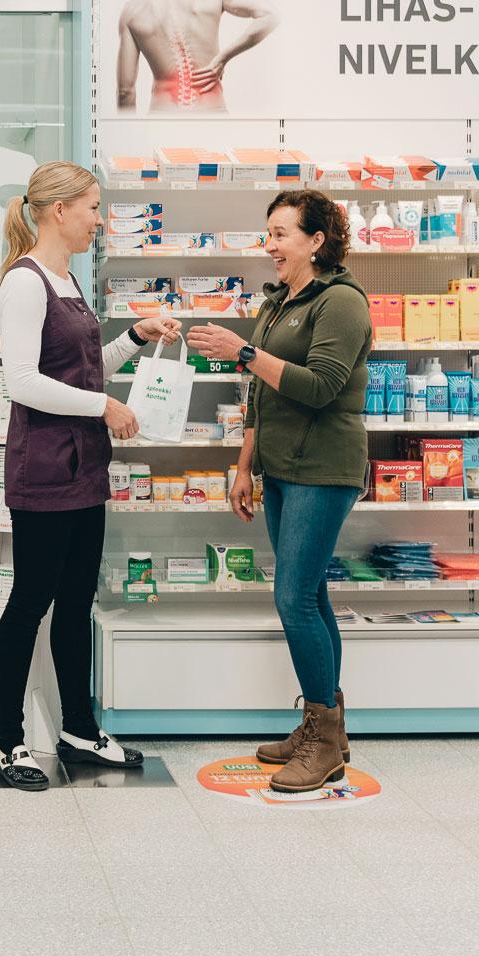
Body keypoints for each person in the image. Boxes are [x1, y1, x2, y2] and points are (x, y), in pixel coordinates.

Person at [0, 161, 181, 791]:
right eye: (94, 207)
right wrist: (105, 406)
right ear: (57, 211)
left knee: (75, 602)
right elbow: (21, 381)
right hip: (44, 469)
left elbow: (81, 367)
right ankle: (8, 742)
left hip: (82, 466)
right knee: (29, 604)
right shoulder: (24, 284)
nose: (100, 220)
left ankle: (78, 726)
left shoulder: (67, 280)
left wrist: (132, 336)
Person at [188, 191, 371, 793]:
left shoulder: (341, 302)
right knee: (310, 594)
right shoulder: (277, 303)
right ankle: (326, 730)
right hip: (281, 467)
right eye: (267, 233)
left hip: (324, 467)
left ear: (317, 240)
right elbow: (261, 397)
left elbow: (320, 387)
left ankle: (323, 739)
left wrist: (243, 352)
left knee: (292, 598)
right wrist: (244, 466)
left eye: (281, 233)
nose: (270, 245)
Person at [116, 0, 278, 114]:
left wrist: (129, 135)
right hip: (212, 115)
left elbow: (125, 92)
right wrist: (223, 59)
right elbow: (270, 16)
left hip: (163, 118)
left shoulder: (132, 10)